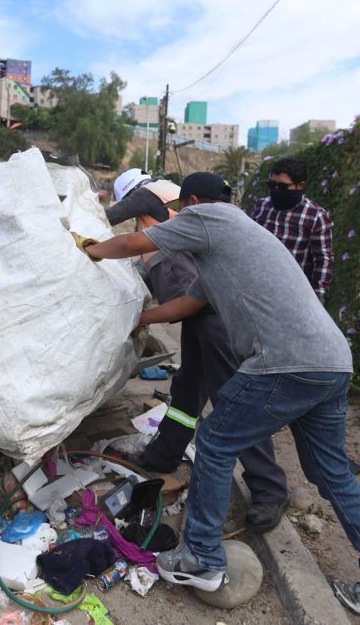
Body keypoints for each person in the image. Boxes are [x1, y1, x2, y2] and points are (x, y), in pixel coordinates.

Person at [81, 172, 360, 625]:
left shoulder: (207, 217)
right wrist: (138, 319)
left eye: (180, 211)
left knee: (216, 442)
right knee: (334, 477)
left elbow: (132, 245)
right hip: (330, 363)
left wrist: (85, 249)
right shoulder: (236, 242)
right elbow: (187, 304)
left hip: (284, 363)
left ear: (189, 203)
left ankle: (201, 559)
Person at [107, 169, 290, 533]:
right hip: (197, 313)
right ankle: (165, 453)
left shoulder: (152, 195)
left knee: (233, 402)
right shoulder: (167, 211)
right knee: (188, 389)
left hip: (214, 314)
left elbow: (125, 218)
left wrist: (86, 232)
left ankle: (270, 489)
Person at [250, 156, 333, 302]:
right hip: (256, 289)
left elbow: (322, 259)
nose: (276, 190)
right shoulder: (262, 206)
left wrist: (317, 299)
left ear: (300, 185)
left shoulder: (315, 216)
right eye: (272, 185)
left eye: (282, 186)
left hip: (292, 296)